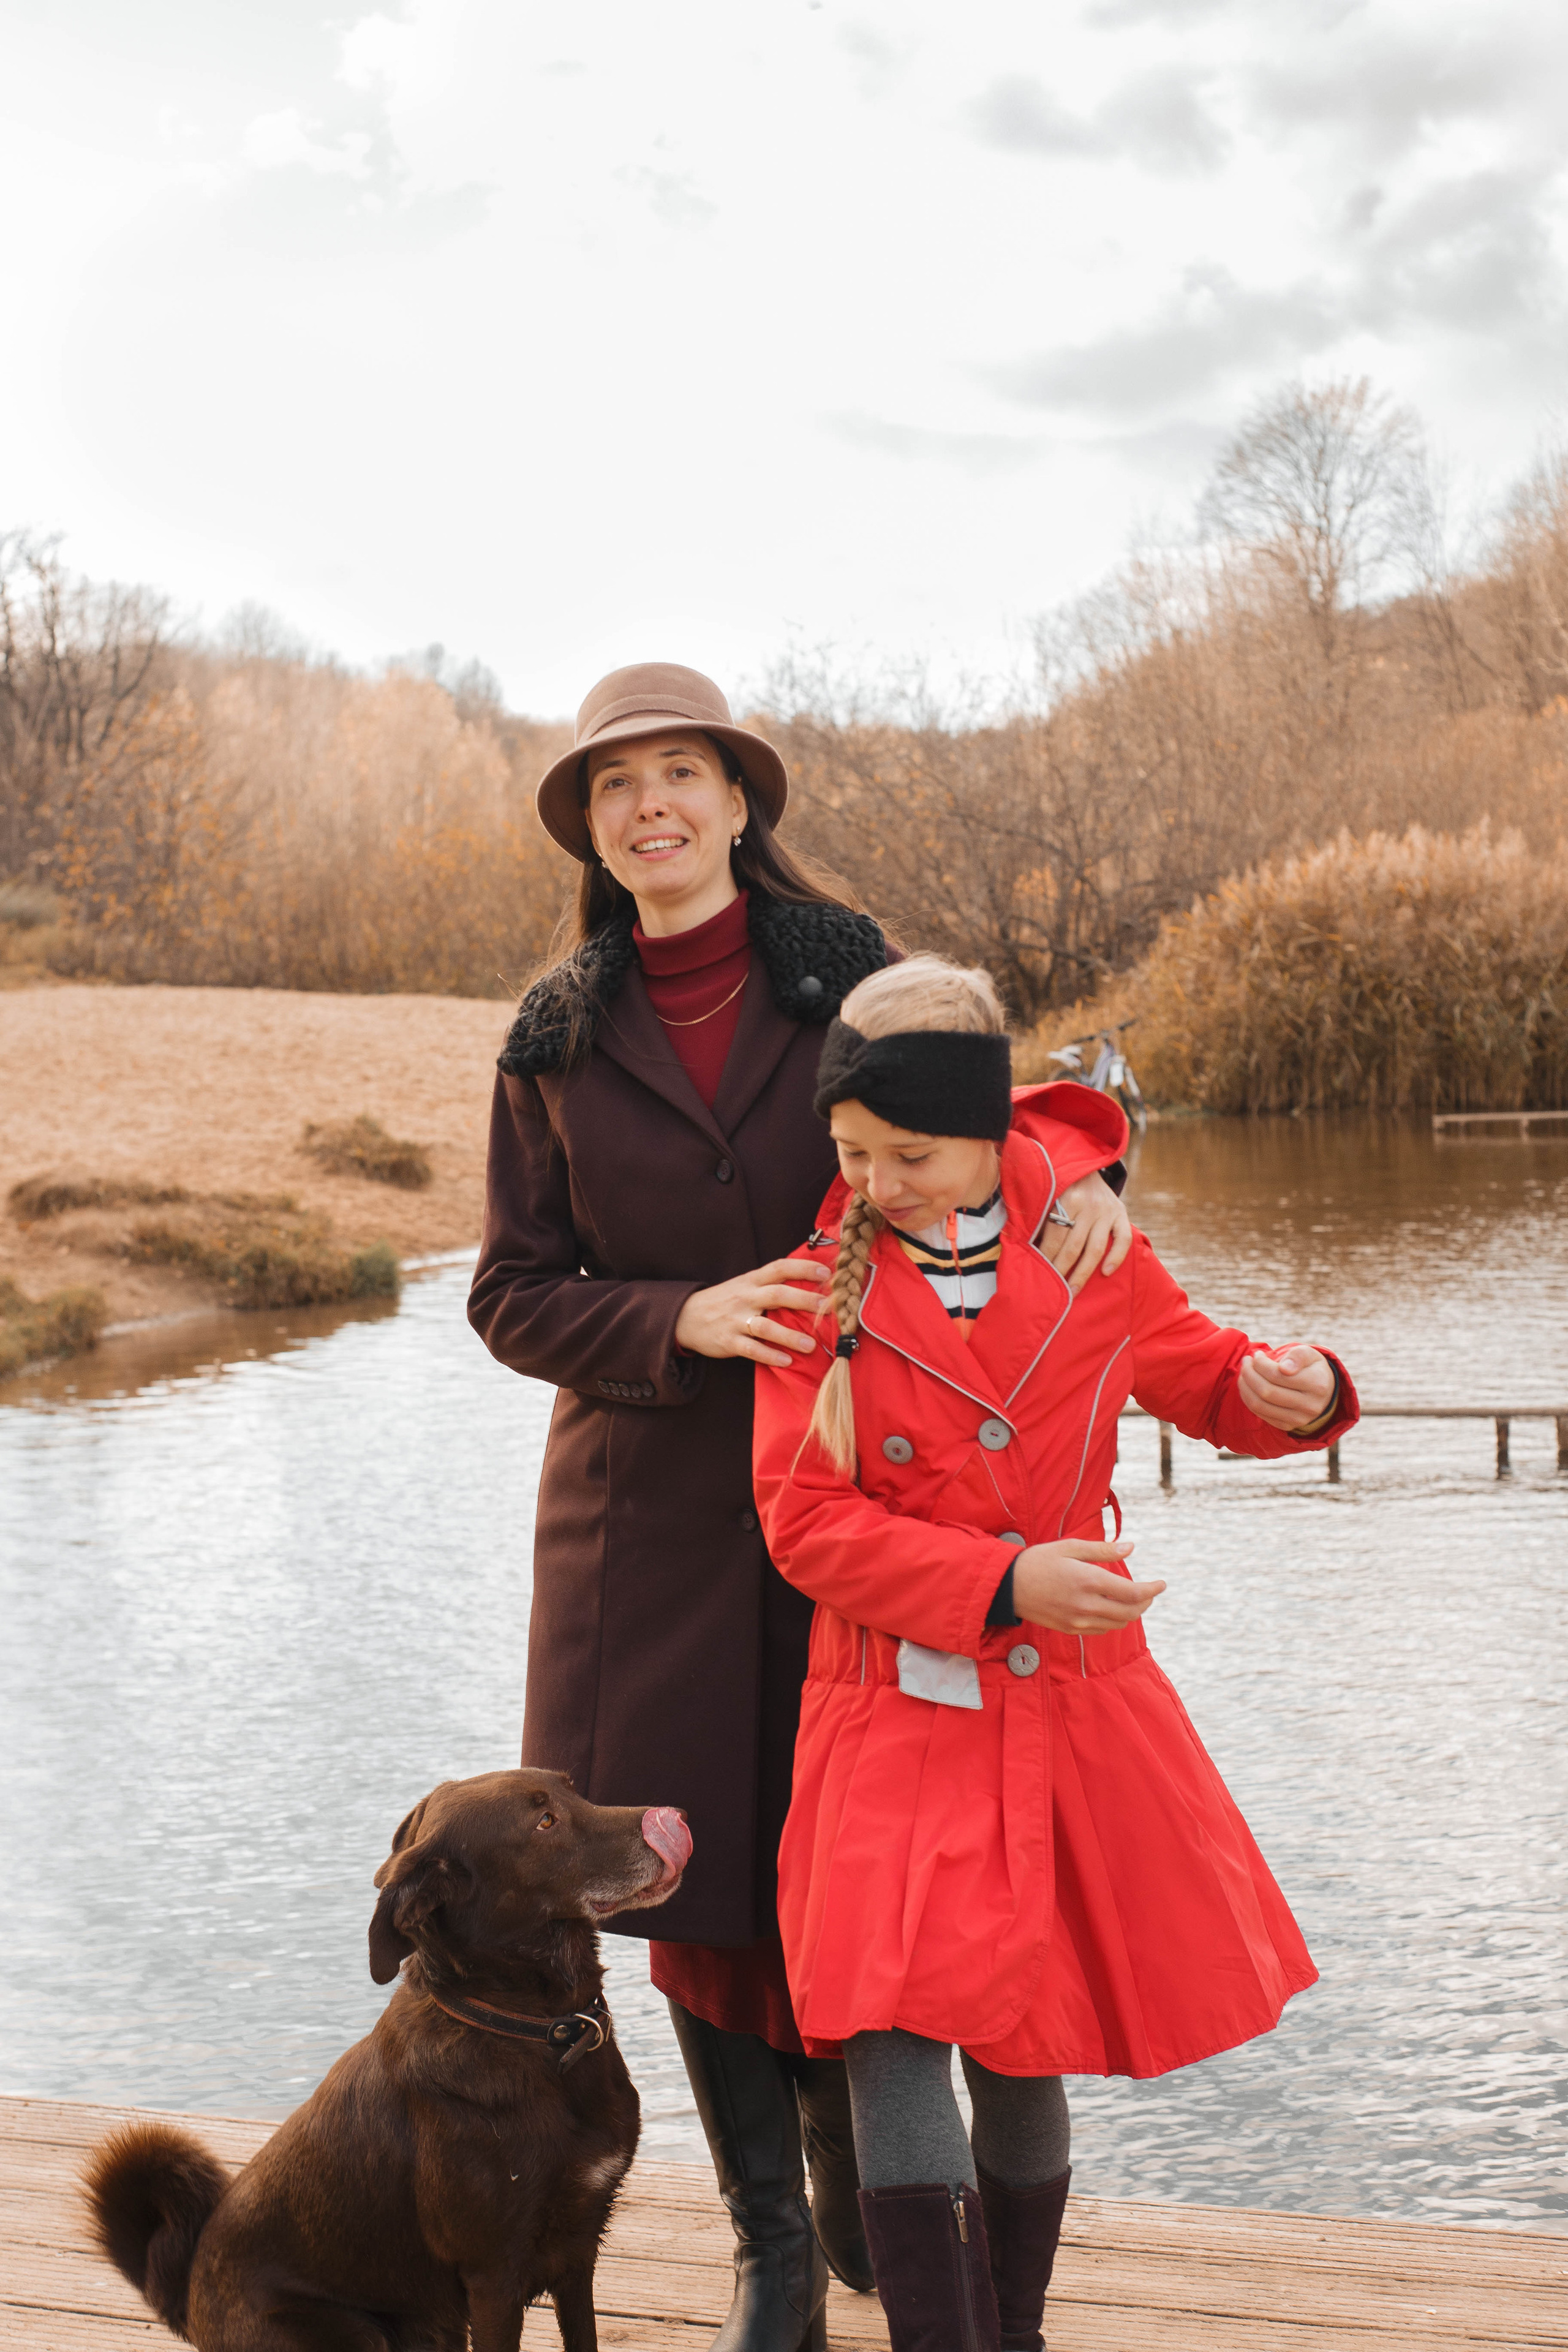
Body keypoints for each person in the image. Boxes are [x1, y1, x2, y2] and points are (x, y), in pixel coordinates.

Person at [467, 668, 1133, 2352]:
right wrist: (672, 1318)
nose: (650, 809)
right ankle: (772, 2238)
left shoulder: (849, 965)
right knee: (683, 1870)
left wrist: (1089, 1189)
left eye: (680, 774)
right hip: (642, 1527)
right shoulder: (549, 1034)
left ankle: (854, 2167)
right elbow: (509, 1292)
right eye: (616, 788)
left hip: (865, 1495)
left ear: (741, 800)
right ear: (593, 827)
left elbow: (977, 1123)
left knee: (850, 1858)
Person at [750, 954, 1359, 2352]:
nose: (876, 1180)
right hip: (889, 1699)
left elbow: (1207, 1378)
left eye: (908, 1152)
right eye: (851, 1152)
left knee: (1021, 2034)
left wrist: (1301, 1391)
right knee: (892, 2028)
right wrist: (1007, 1579)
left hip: (1064, 1710)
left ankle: (1008, 2334)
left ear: (990, 1132)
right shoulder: (814, 1295)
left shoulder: (1092, 1253)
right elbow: (804, 1524)